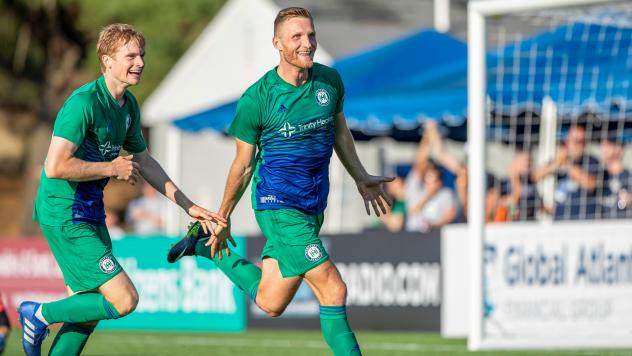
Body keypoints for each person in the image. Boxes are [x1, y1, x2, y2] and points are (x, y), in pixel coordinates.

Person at [167, 8, 392, 356]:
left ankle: (202, 246)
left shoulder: (330, 82)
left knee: (270, 303)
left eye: (311, 35)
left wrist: (360, 177)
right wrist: (222, 218)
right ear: (277, 44)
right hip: (278, 207)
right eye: (297, 37)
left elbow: (340, 132)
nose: (308, 43)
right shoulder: (258, 99)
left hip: (312, 207)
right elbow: (242, 166)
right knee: (333, 289)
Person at [18, 24, 225, 356]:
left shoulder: (128, 107)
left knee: (86, 311)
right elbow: (55, 166)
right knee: (124, 299)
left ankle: (44, 320)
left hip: (90, 211)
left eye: (141, 55)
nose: (140, 62)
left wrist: (187, 205)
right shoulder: (82, 103)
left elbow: (145, 160)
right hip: (64, 212)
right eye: (131, 55)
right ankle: (38, 314)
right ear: (107, 61)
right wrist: (111, 167)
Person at [532, 125, 599, 220]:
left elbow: (591, 184)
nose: (580, 145)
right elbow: (534, 176)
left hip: (584, 220)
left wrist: (567, 165)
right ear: (567, 142)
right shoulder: (556, 161)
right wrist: (556, 164)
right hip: (559, 221)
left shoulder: (591, 161)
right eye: (576, 141)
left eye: (583, 142)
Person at [599, 137, 631, 219]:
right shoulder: (600, 175)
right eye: (603, 144)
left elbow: (624, 203)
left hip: (618, 226)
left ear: (619, 149)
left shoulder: (627, 177)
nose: (603, 147)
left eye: (609, 144)